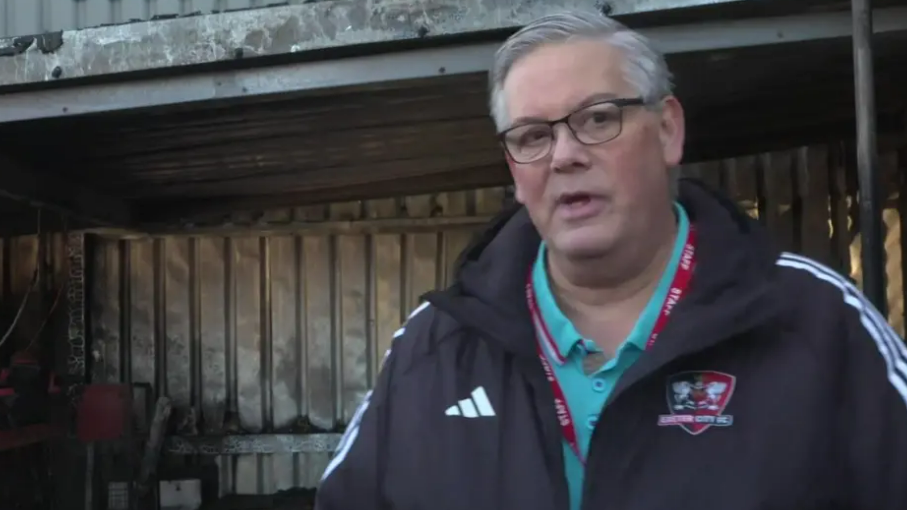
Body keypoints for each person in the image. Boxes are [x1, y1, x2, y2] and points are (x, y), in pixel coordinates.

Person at [315, 10, 907, 510]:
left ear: (668, 131)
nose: (565, 155)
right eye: (531, 136)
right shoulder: (434, 350)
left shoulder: (818, 321)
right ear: (514, 171)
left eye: (598, 118)